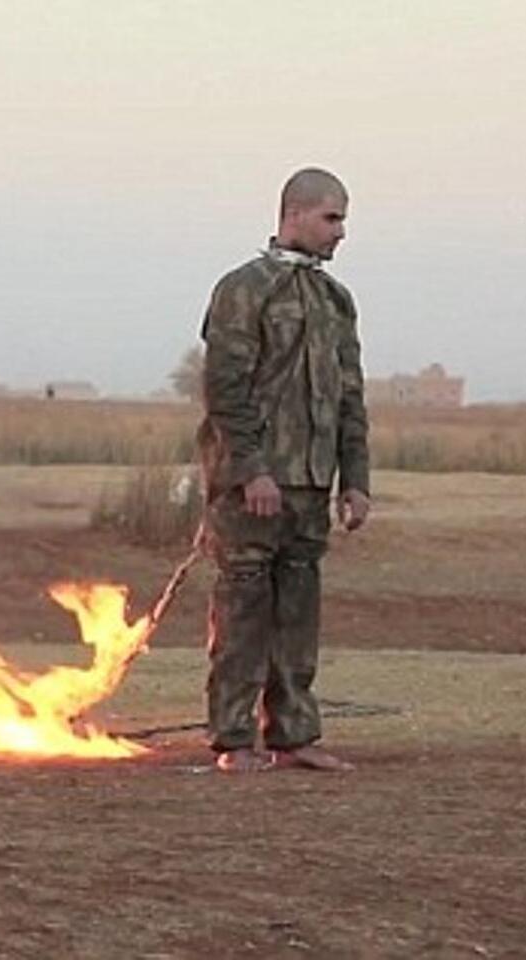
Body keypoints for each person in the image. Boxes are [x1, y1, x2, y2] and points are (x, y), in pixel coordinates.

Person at [196, 167, 371, 775]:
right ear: (294, 214)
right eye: (331, 218)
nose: (340, 232)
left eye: (343, 219)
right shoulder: (244, 289)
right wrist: (251, 471)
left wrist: (355, 480)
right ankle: (233, 738)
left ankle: (294, 735)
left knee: (298, 614)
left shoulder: (334, 300)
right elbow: (225, 389)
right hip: (251, 490)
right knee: (243, 611)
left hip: (310, 487)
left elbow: (350, 397)